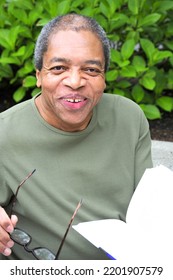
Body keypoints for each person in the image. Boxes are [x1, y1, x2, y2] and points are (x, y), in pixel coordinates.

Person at [0, 13, 153, 260]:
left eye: (91, 70)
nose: (75, 81)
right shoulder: (4, 134)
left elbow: (151, 209)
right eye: (59, 68)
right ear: (39, 74)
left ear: (104, 77)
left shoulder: (129, 118)